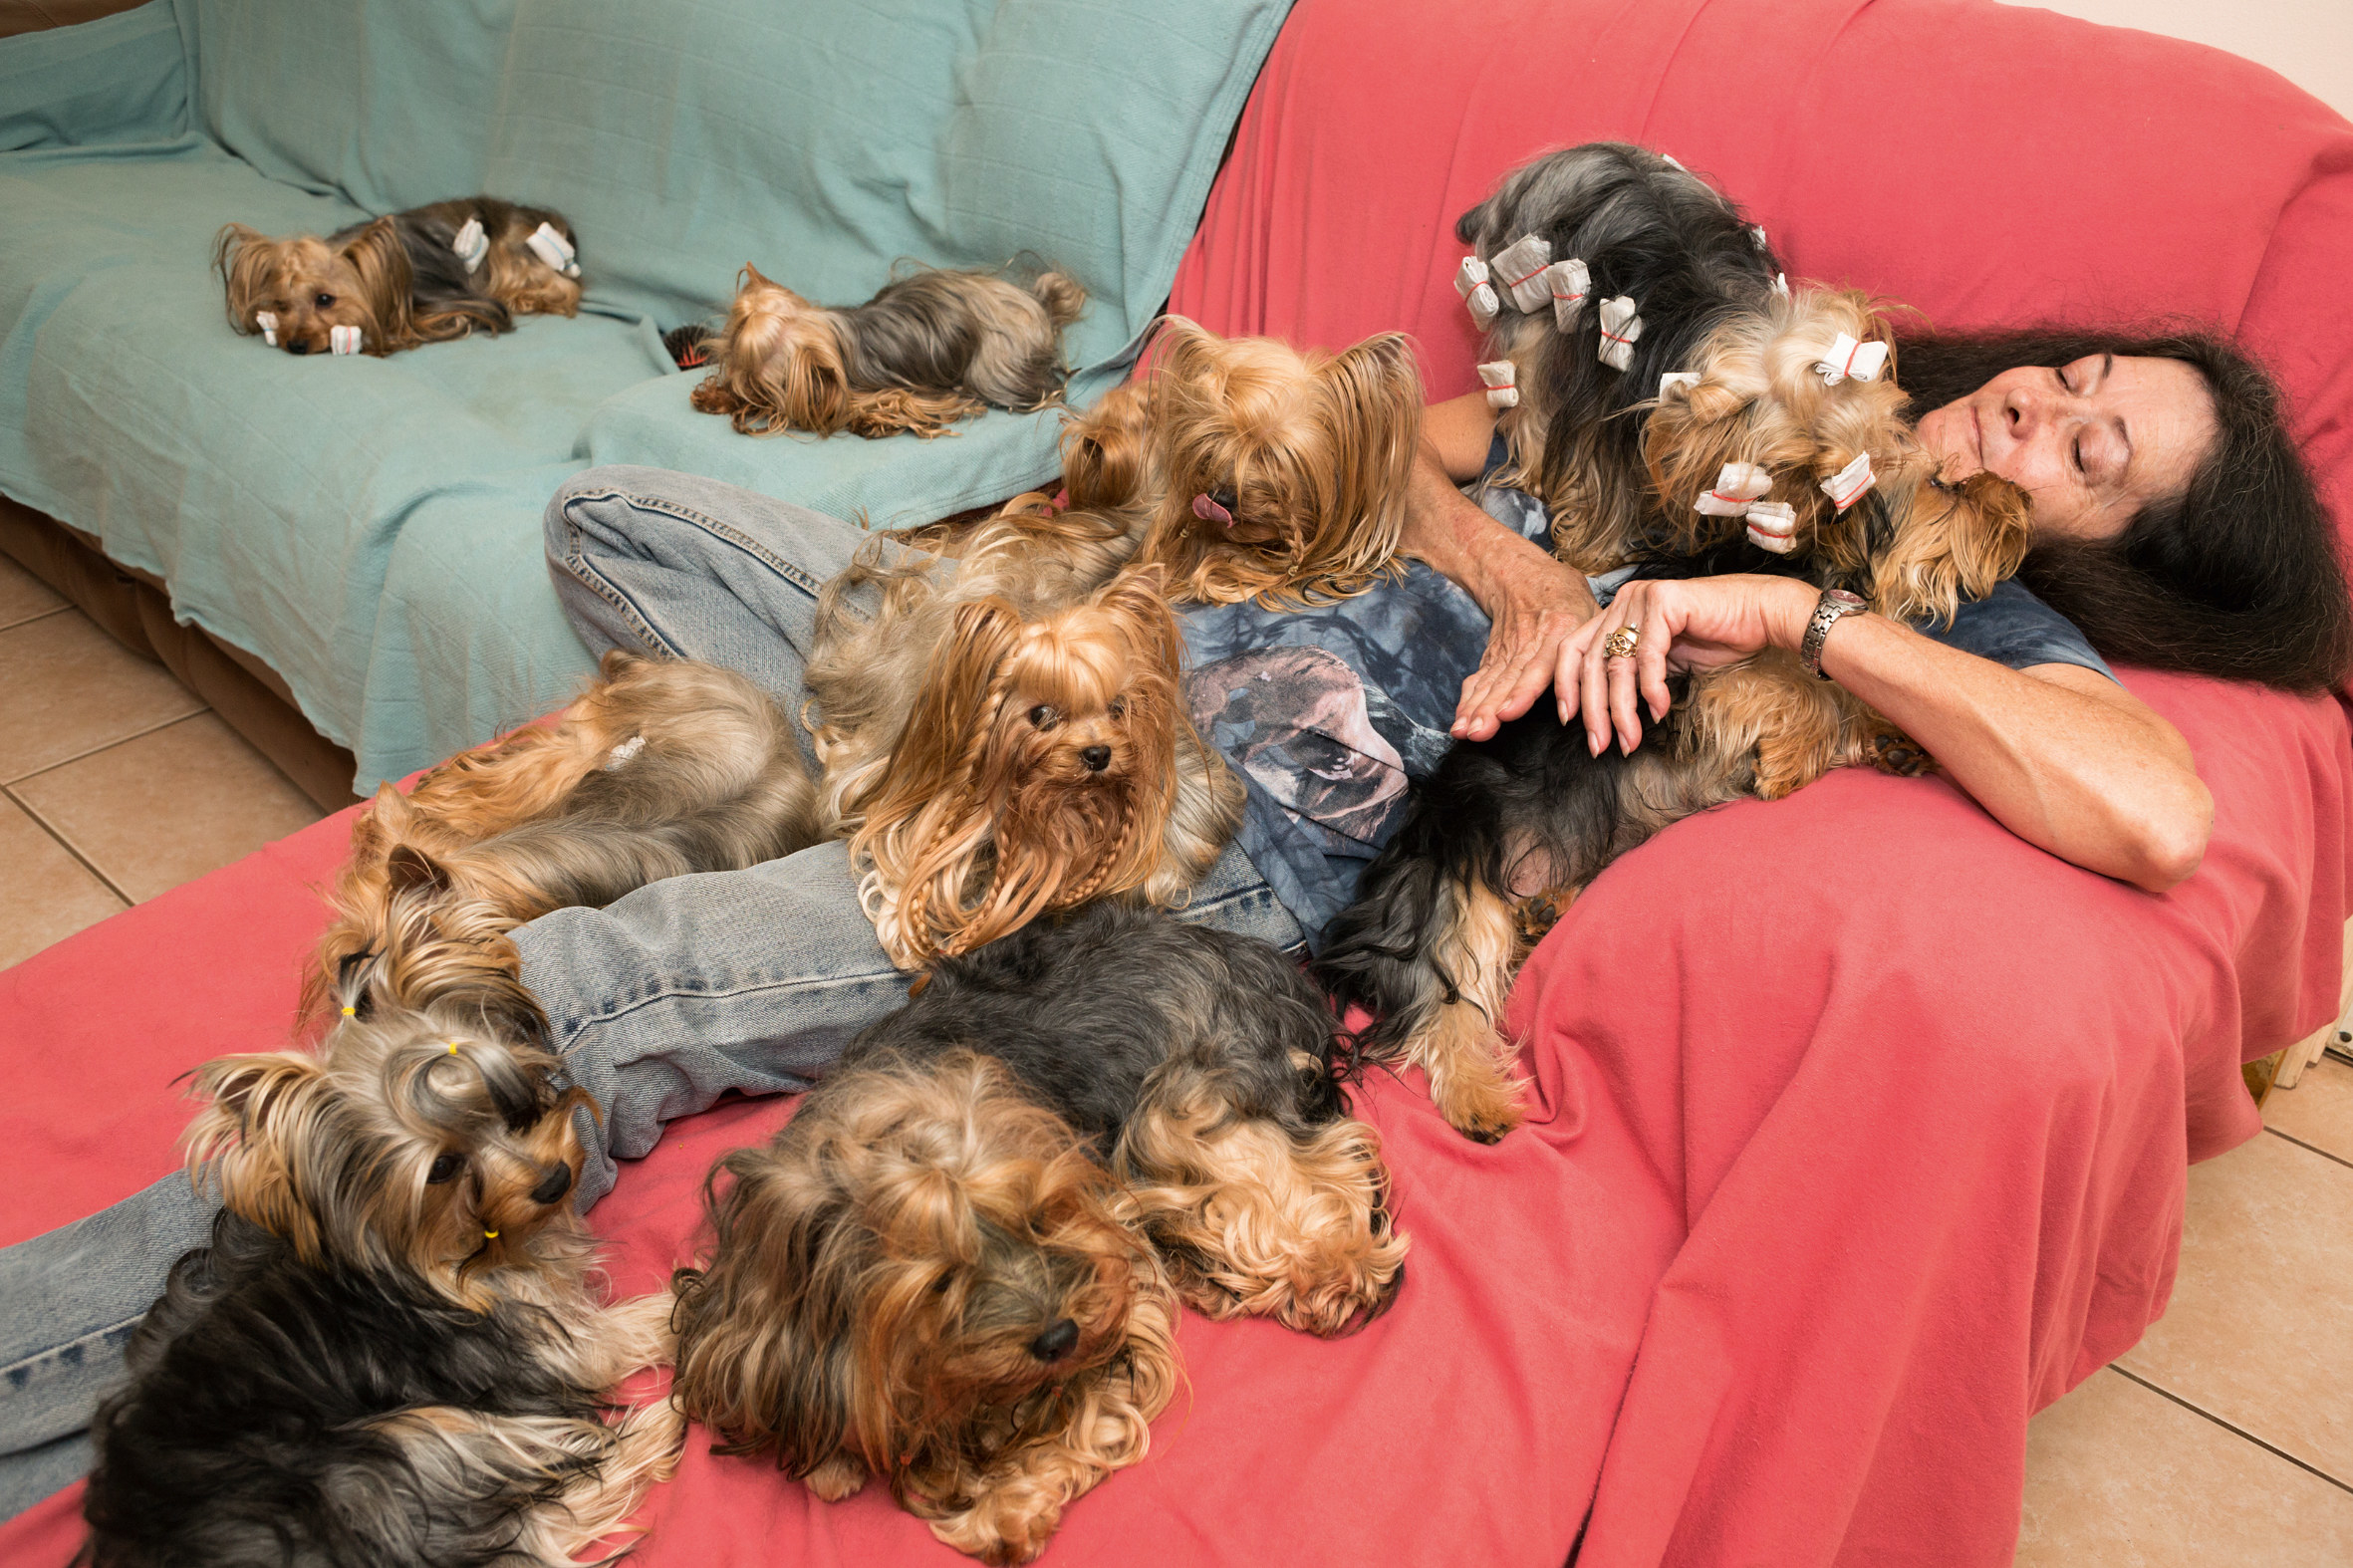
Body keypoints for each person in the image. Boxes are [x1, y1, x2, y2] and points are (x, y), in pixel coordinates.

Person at [0, 326, 2339, 1519]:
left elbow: (2148, 810)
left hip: (1163, 843)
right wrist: (1514, 543)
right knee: (620, 520)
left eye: (2086, 450)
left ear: (2093, 553)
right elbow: (1390, 437)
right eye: (2067, 379)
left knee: (586, 1006)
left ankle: (74, 1361)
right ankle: (842, 805)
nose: (2030, 411)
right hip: (1068, 644)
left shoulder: (1949, 627)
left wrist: (1800, 628)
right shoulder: (1749, 390)